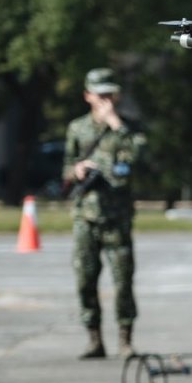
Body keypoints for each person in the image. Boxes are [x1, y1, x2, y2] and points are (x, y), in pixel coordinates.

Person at [64, 68, 144, 360]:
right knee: (85, 279)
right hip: (86, 216)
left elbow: (137, 157)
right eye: (100, 95)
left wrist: (115, 124)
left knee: (123, 281)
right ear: (88, 96)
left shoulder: (128, 128)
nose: (106, 100)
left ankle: (125, 339)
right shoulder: (78, 129)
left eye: (110, 95)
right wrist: (77, 170)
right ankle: (94, 338)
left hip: (117, 216)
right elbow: (65, 168)